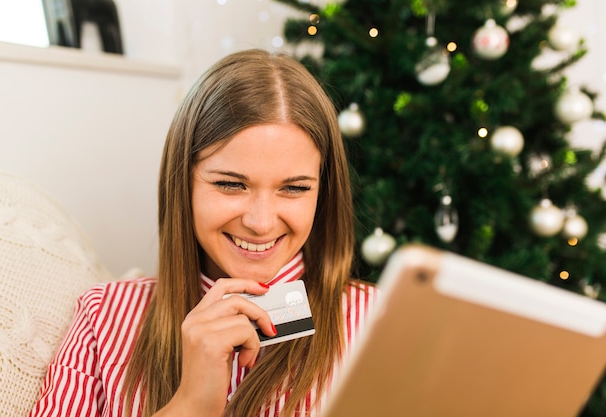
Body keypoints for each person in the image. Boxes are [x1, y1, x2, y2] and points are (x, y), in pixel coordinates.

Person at [29, 48, 377, 417]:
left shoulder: (379, 323)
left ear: (322, 194)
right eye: (231, 184)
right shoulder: (103, 318)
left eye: (293, 188)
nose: (261, 222)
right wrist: (190, 405)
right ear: (183, 185)